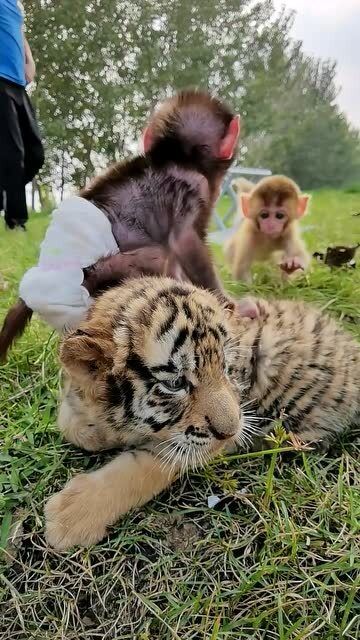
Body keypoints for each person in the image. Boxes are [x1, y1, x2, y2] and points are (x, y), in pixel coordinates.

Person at [0, 0, 44, 230]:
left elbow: (18, 29)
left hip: (17, 84)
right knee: (12, 153)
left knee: (35, 154)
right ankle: (16, 221)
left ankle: (4, 194)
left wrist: (30, 59)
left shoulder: (14, 4)